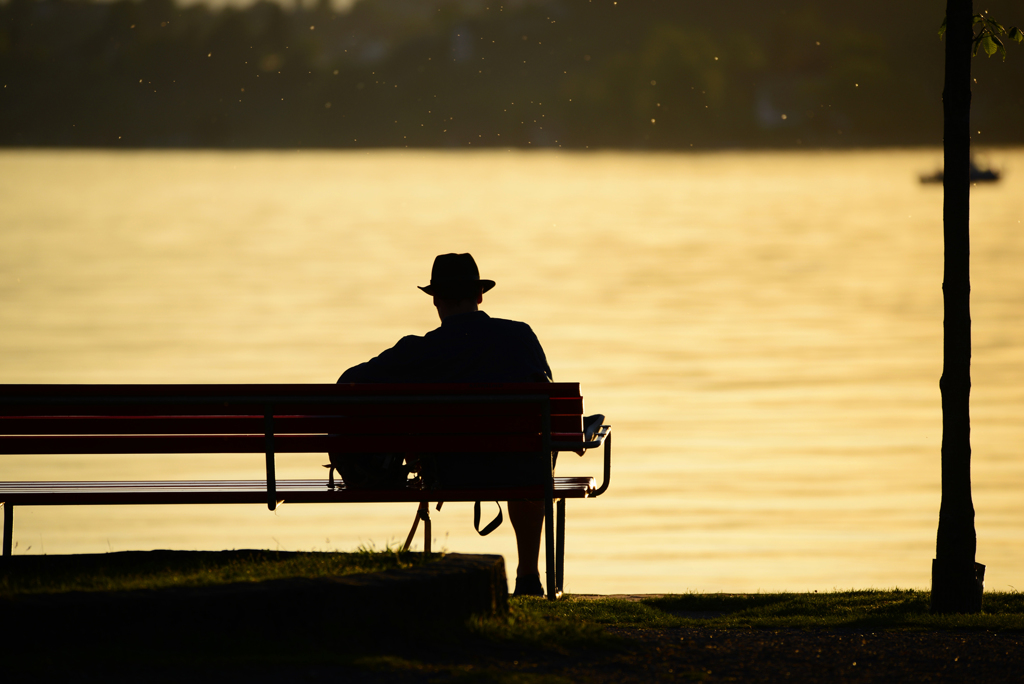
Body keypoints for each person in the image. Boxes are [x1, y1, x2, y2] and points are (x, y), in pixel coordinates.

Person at [337, 253, 552, 597]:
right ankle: (529, 577)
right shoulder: (520, 337)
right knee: (534, 451)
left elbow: (347, 384)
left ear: (435, 299)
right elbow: (548, 401)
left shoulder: (417, 352)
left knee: (527, 451)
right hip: (521, 470)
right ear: (480, 295)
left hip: (450, 473)